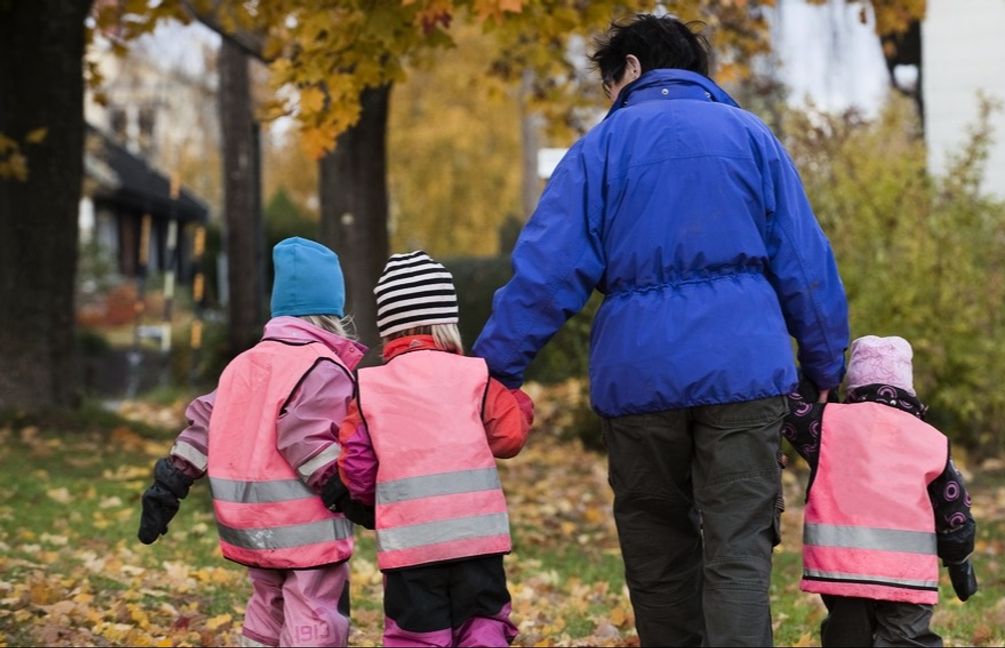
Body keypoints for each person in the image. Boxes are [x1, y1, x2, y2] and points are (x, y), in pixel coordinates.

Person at [470, 13, 850, 647]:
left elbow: (546, 273)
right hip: (746, 375)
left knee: (657, 554)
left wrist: (494, 371)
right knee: (738, 555)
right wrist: (826, 368)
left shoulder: (601, 149)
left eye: (608, 85)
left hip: (638, 380)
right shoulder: (752, 138)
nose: (609, 101)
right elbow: (806, 265)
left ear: (633, 69)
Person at [137, 237, 373, 648]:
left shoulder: (242, 365)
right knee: (313, 608)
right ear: (331, 309)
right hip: (305, 524)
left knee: (267, 603)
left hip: (246, 523)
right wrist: (346, 493)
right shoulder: (322, 366)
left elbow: (202, 426)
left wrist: (170, 483)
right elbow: (307, 436)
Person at [337, 251, 531, 647]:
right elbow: (510, 437)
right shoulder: (475, 376)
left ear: (387, 328)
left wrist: (380, 497)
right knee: (483, 626)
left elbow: (355, 464)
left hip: (410, 545)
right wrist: (518, 402)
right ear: (448, 323)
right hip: (477, 541)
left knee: (417, 635)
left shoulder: (370, 388)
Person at [784, 335, 978, 648]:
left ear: (853, 383)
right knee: (906, 639)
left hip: (842, 566)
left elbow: (786, 407)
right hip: (907, 571)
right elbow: (955, 510)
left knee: (847, 638)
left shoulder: (827, 425)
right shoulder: (931, 439)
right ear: (908, 386)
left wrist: (817, 381)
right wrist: (959, 560)